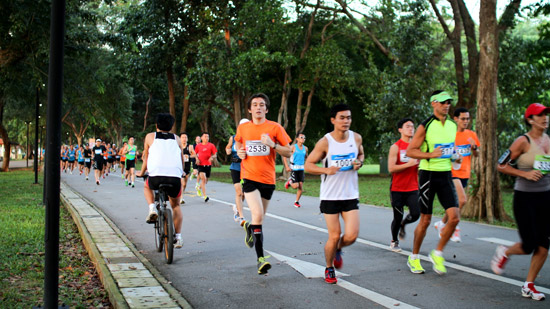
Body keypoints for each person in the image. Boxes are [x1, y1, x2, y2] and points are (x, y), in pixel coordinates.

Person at [491, 103, 550, 301]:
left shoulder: (548, 140)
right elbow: (500, 164)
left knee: (543, 246)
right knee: (529, 244)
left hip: (545, 197)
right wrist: (523, 173)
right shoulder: (522, 141)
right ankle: (505, 251)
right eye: (540, 115)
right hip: (524, 198)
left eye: (546, 115)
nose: (545, 118)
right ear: (530, 119)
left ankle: (529, 285)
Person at [305, 103, 364, 284]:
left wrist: (359, 163)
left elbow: (361, 155)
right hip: (330, 196)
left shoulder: (356, 138)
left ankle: (337, 248)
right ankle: (329, 268)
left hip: (350, 194)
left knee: (352, 235)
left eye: (348, 118)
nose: (346, 121)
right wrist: (325, 171)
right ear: (333, 120)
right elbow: (308, 165)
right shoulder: (325, 142)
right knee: (334, 234)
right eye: (342, 118)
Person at [235, 93, 292, 275]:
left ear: (266, 109)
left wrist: (272, 145)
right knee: (257, 214)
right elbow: (237, 143)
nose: (258, 107)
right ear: (250, 109)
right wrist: (240, 152)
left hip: (268, 180)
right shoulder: (243, 128)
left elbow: (289, 152)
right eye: (255, 104)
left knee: (259, 219)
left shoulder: (275, 128)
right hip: (249, 177)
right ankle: (260, 259)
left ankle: (249, 227)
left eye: (262, 105)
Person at [405, 90, 461, 275]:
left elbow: (450, 148)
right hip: (428, 175)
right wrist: (430, 154)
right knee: (426, 220)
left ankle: (437, 253)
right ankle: (413, 257)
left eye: (449, 102)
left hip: (445, 174)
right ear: (433, 103)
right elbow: (411, 151)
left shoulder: (453, 125)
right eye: (443, 102)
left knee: (454, 217)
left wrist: (455, 156)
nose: (447, 105)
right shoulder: (425, 126)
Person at [137, 113, 185, 248]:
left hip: (156, 177)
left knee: (147, 186)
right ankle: (178, 237)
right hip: (175, 177)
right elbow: (181, 159)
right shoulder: (177, 139)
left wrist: (141, 173)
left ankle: (152, 208)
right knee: (176, 206)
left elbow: (146, 158)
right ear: (171, 126)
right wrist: (181, 173)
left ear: (156, 125)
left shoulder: (150, 137)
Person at [434, 107, 480, 242]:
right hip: (451, 172)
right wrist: (454, 155)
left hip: (465, 173)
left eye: (467, 119)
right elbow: (443, 152)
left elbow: (476, 154)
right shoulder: (450, 134)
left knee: (455, 203)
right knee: (462, 200)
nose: (466, 121)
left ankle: (441, 224)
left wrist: (474, 147)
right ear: (456, 119)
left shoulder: (471, 135)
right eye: (463, 119)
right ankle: (453, 227)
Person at [387, 118, 420, 252]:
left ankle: (403, 224)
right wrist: (409, 164)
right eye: (407, 126)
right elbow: (391, 168)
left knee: (416, 214)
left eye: (412, 126)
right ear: (400, 129)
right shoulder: (396, 147)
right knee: (397, 216)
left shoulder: (417, 147)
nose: (411, 129)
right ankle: (394, 241)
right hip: (397, 188)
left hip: (412, 187)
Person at [226, 119, 249, 225]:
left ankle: (236, 207)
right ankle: (241, 217)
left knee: (244, 194)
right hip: (235, 167)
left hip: (247, 168)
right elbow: (228, 147)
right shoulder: (233, 138)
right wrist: (228, 150)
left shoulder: (250, 138)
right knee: (239, 192)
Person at [283, 132, 308, 208]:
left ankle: (296, 202)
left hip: (301, 169)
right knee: (295, 186)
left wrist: (308, 164)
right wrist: (287, 166)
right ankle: (290, 181)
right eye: (301, 137)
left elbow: (306, 157)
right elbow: (285, 155)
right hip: (294, 168)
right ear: (297, 139)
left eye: (304, 137)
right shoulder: (293, 147)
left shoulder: (305, 148)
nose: (303, 139)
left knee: (300, 186)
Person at [194, 132, 217, 202]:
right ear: (201, 138)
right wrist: (197, 159)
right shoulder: (198, 146)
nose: (206, 138)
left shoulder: (211, 145)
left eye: (208, 137)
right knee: (203, 179)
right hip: (201, 165)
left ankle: (199, 187)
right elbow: (195, 154)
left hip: (208, 165)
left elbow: (215, 154)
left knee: (205, 181)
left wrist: (212, 157)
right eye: (205, 136)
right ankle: (205, 196)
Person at [180, 132, 192, 204]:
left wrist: (189, 156)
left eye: (185, 137)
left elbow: (194, 155)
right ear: (180, 138)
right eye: (183, 137)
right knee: (182, 183)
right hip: (180, 167)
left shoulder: (190, 147)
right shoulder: (178, 146)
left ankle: (182, 192)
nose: (184, 139)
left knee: (184, 184)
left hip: (187, 167)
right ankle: (181, 198)